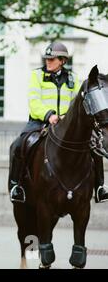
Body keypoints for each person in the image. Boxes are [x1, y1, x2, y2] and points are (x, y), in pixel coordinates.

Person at [9, 41, 108, 203]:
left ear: (62, 61)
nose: (47, 61)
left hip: (66, 123)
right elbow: (34, 101)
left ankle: (99, 187)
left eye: (52, 59)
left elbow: (76, 103)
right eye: (47, 59)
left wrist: (65, 117)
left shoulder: (73, 78)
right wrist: (49, 115)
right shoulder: (37, 76)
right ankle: (16, 186)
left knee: (93, 146)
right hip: (40, 121)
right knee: (19, 144)